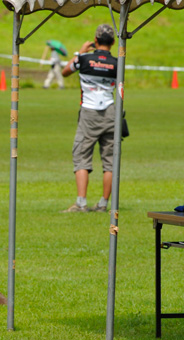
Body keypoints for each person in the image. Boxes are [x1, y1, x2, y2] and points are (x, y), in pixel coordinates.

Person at [61, 24, 118, 213]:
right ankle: (103, 204)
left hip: (88, 113)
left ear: (95, 41)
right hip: (110, 112)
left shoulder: (84, 59)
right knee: (110, 160)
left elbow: (65, 71)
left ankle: (81, 203)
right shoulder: (118, 63)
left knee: (82, 157)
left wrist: (81, 52)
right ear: (113, 42)